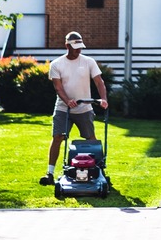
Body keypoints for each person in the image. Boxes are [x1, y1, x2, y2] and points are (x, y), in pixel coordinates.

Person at [39, 31, 109, 186]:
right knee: (58, 137)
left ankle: (99, 171)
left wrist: (103, 99)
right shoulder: (56, 64)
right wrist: (68, 101)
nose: (79, 50)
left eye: (80, 47)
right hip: (63, 108)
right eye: (75, 47)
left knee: (91, 139)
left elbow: (99, 82)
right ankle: (49, 173)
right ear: (67, 46)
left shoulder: (89, 62)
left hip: (84, 108)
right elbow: (58, 88)